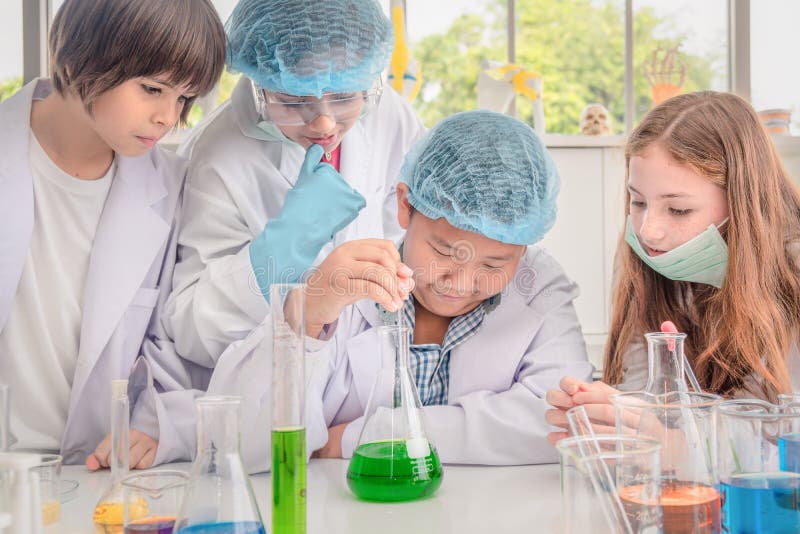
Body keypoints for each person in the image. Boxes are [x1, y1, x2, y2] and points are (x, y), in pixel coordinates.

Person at [206, 110, 593, 471]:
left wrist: (365, 437)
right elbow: (242, 439)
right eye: (444, 251)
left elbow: (562, 423)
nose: (458, 284)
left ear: (524, 247)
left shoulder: (539, 286)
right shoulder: (349, 279)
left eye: (494, 265)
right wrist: (304, 320)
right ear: (406, 204)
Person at [0, 0, 226, 466]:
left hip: (103, 472)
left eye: (184, 98)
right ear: (74, 57)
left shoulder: (174, 188)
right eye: (152, 88)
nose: (168, 116)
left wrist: (155, 422)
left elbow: (173, 339)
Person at [163, 0, 426, 368]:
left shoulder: (390, 116)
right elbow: (193, 331)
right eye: (293, 99)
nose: (324, 125)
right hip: (274, 382)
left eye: (344, 97)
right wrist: (283, 249)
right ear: (259, 84)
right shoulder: (216, 155)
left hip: (375, 373)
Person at [546, 91, 800, 443]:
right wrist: (610, 415)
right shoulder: (648, 257)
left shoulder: (793, 271)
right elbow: (641, 392)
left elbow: (783, 431)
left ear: (743, 203)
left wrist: (678, 449)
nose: (648, 229)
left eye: (679, 210)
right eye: (637, 201)